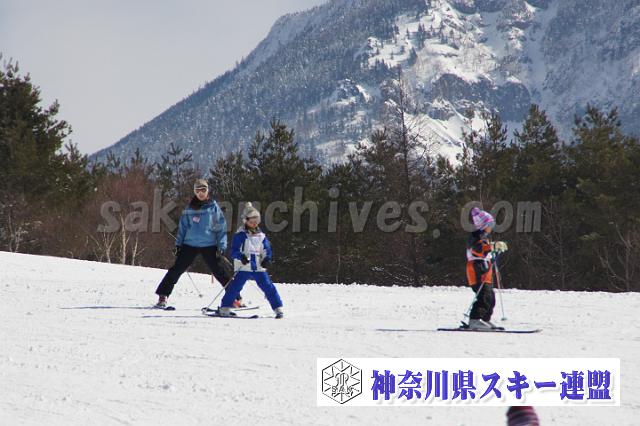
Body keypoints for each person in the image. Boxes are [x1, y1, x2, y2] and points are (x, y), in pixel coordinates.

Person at [154, 179, 234, 308]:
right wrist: (178, 245)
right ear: (195, 192)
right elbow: (183, 228)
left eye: (203, 190)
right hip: (189, 244)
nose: (201, 193)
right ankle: (163, 295)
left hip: (209, 244)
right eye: (198, 190)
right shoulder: (189, 208)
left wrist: (222, 245)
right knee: (176, 269)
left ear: (207, 191)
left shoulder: (213, 207)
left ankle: (235, 297)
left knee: (219, 271)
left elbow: (221, 227)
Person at [218, 202, 284, 319]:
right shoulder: (240, 235)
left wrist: (267, 259)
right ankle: (225, 308)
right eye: (251, 220)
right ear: (245, 220)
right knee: (235, 288)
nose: (254, 223)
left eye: (256, 220)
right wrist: (241, 257)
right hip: (244, 266)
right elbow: (234, 251)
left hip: (258, 266)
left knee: (268, 287)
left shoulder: (261, 236)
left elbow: (266, 250)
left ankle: (278, 308)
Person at [465, 207, 507, 330]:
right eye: (489, 225)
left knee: (490, 297)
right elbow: (478, 249)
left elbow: (486, 250)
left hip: (485, 269)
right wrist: (492, 247)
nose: (491, 227)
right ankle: (474, 320)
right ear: (483, 225)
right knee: (484, 295)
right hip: (477, 269)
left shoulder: (484, 237)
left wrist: (494, 248)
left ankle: (484, 319)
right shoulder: (476, 236)